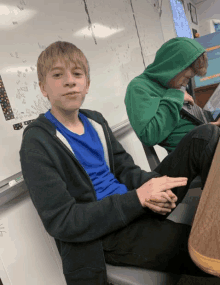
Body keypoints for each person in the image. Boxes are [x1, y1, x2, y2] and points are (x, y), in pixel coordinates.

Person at [19, 41, 220, 285]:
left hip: (134, 204)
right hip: (104, 233)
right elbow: (64, 221)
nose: (70, 81)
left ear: (87, 85)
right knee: (206, 247)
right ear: (43, 88)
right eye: (58, 75)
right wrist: (138, 198)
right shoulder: (36, 142)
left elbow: (126, 168)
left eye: (77, 74)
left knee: (205, 136)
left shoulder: (95, 121)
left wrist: (154, 186)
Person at [124, 37, 220, 153]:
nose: (185, 83)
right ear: (172, 69)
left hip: (204, 140)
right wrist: (176, 96)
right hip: (189, 153)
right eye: (186, 78)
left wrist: (209, 125)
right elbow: (148, 135)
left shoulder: (170, 85)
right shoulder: (138, 88)